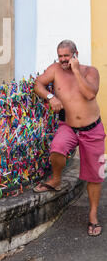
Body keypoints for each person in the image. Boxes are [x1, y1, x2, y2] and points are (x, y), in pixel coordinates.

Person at [33, 40, 105, 237]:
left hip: (93, 130)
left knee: (95, 176)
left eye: (67, 55)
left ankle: (92, 216)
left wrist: (76, 71)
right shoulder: (55, 70)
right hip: (69, 127)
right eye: (60, 55)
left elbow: (90, 94)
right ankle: (56, 179)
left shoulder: (90, 71)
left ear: (75, 54)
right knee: (56, 149)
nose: (63, 59)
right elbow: (38, 83)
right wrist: (50, 97)